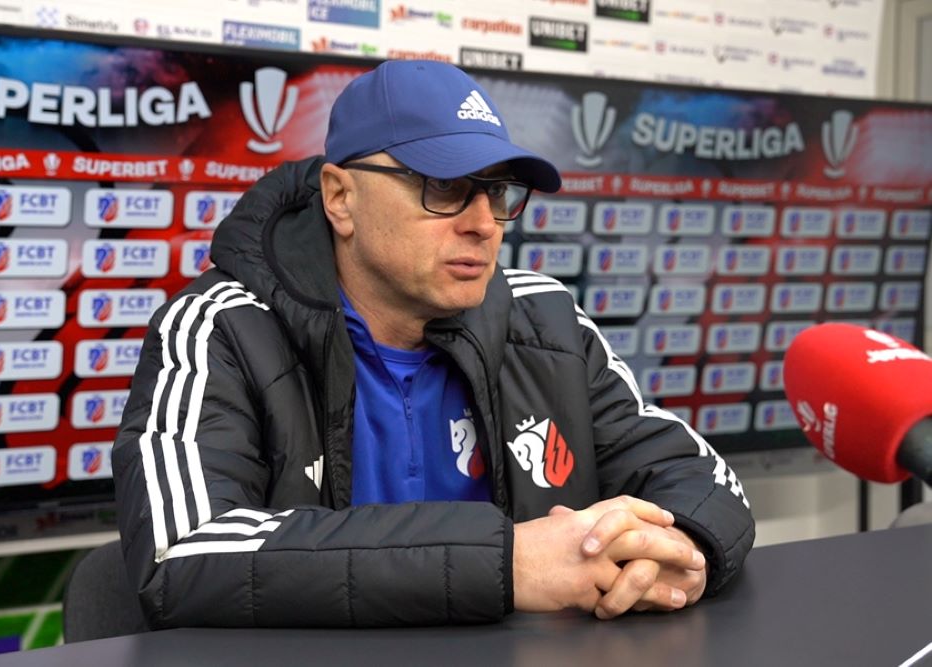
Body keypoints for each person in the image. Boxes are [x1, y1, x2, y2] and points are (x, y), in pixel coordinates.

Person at [112, 60, 754, 628]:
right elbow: (182, 555)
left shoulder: (546, 319)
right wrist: (509, 563)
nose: (483, 224)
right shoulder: (220, 329)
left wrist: (677, 547)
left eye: (496, 192)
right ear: (340, 197)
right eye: (444, 188)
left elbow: (703, 480)